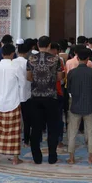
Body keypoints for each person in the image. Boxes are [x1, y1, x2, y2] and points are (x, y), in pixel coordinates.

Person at [27, 35, 64, 165]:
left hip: (36, 97)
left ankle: (37, 158)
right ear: (49, 45)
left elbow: (28, 77)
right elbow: (59, 77)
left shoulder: (31, 59)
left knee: (36, 128)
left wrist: (38, 82)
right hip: (51, 97)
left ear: (38, 45)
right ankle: (52, 157)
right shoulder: (55, 59)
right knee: (52, 128)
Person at [0, 43, 24, 165]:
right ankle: (15, 158)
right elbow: (22, 82)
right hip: (13, 101)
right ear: (12, 54)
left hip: (0, 101)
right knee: (14, 131)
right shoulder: (15, 67)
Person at [67, 47, 92, 164]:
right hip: (89, 105)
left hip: (75, 105)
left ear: (77, 57)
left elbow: (68, 88)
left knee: (72, 132)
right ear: (88, 59)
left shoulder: (72, 73)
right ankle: (91, 157)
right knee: (90, 131)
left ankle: (71, 158)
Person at [11, 41, 32, 146]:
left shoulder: (12, 62)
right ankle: (27, 139)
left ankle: (14, 139)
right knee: (27, 118)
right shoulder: (28, 62)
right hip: (26, 94)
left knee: (15, 119)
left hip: (14, 94)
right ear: (27, 52)